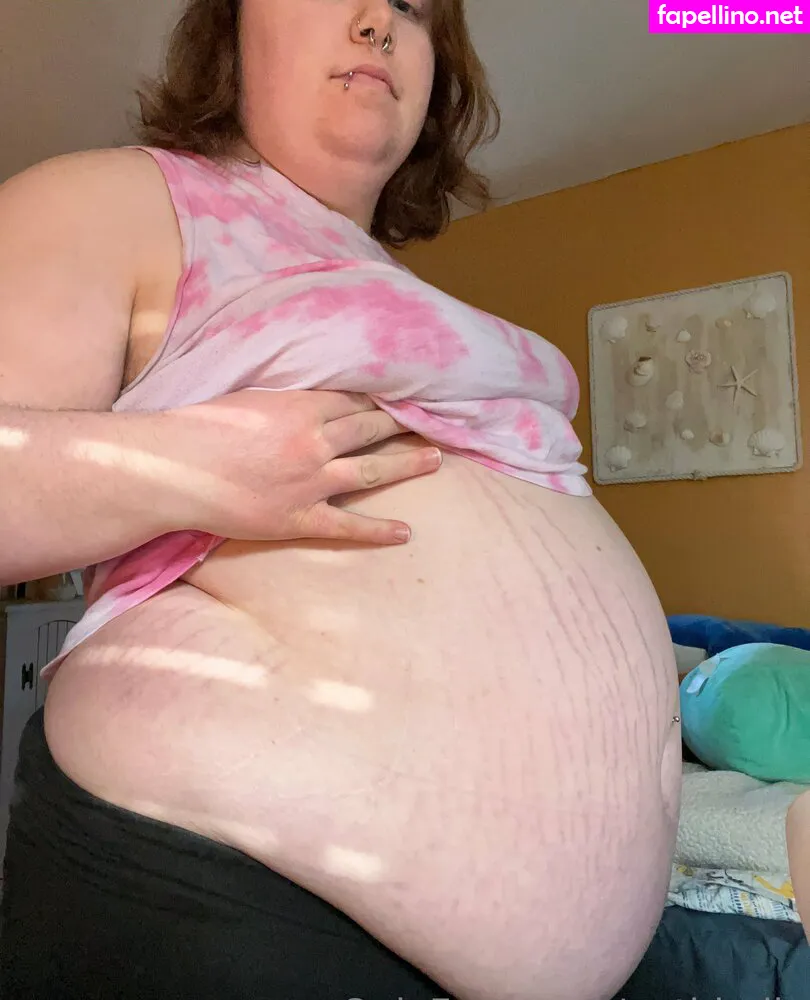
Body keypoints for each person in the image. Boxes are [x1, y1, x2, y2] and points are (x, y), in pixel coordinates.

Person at [0, 0, 682, 997]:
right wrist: (192, 466)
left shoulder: (402, 284)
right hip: (235, 900)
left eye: (414, 9)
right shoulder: (122, 198)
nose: (378, 22)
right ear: (231, 29)